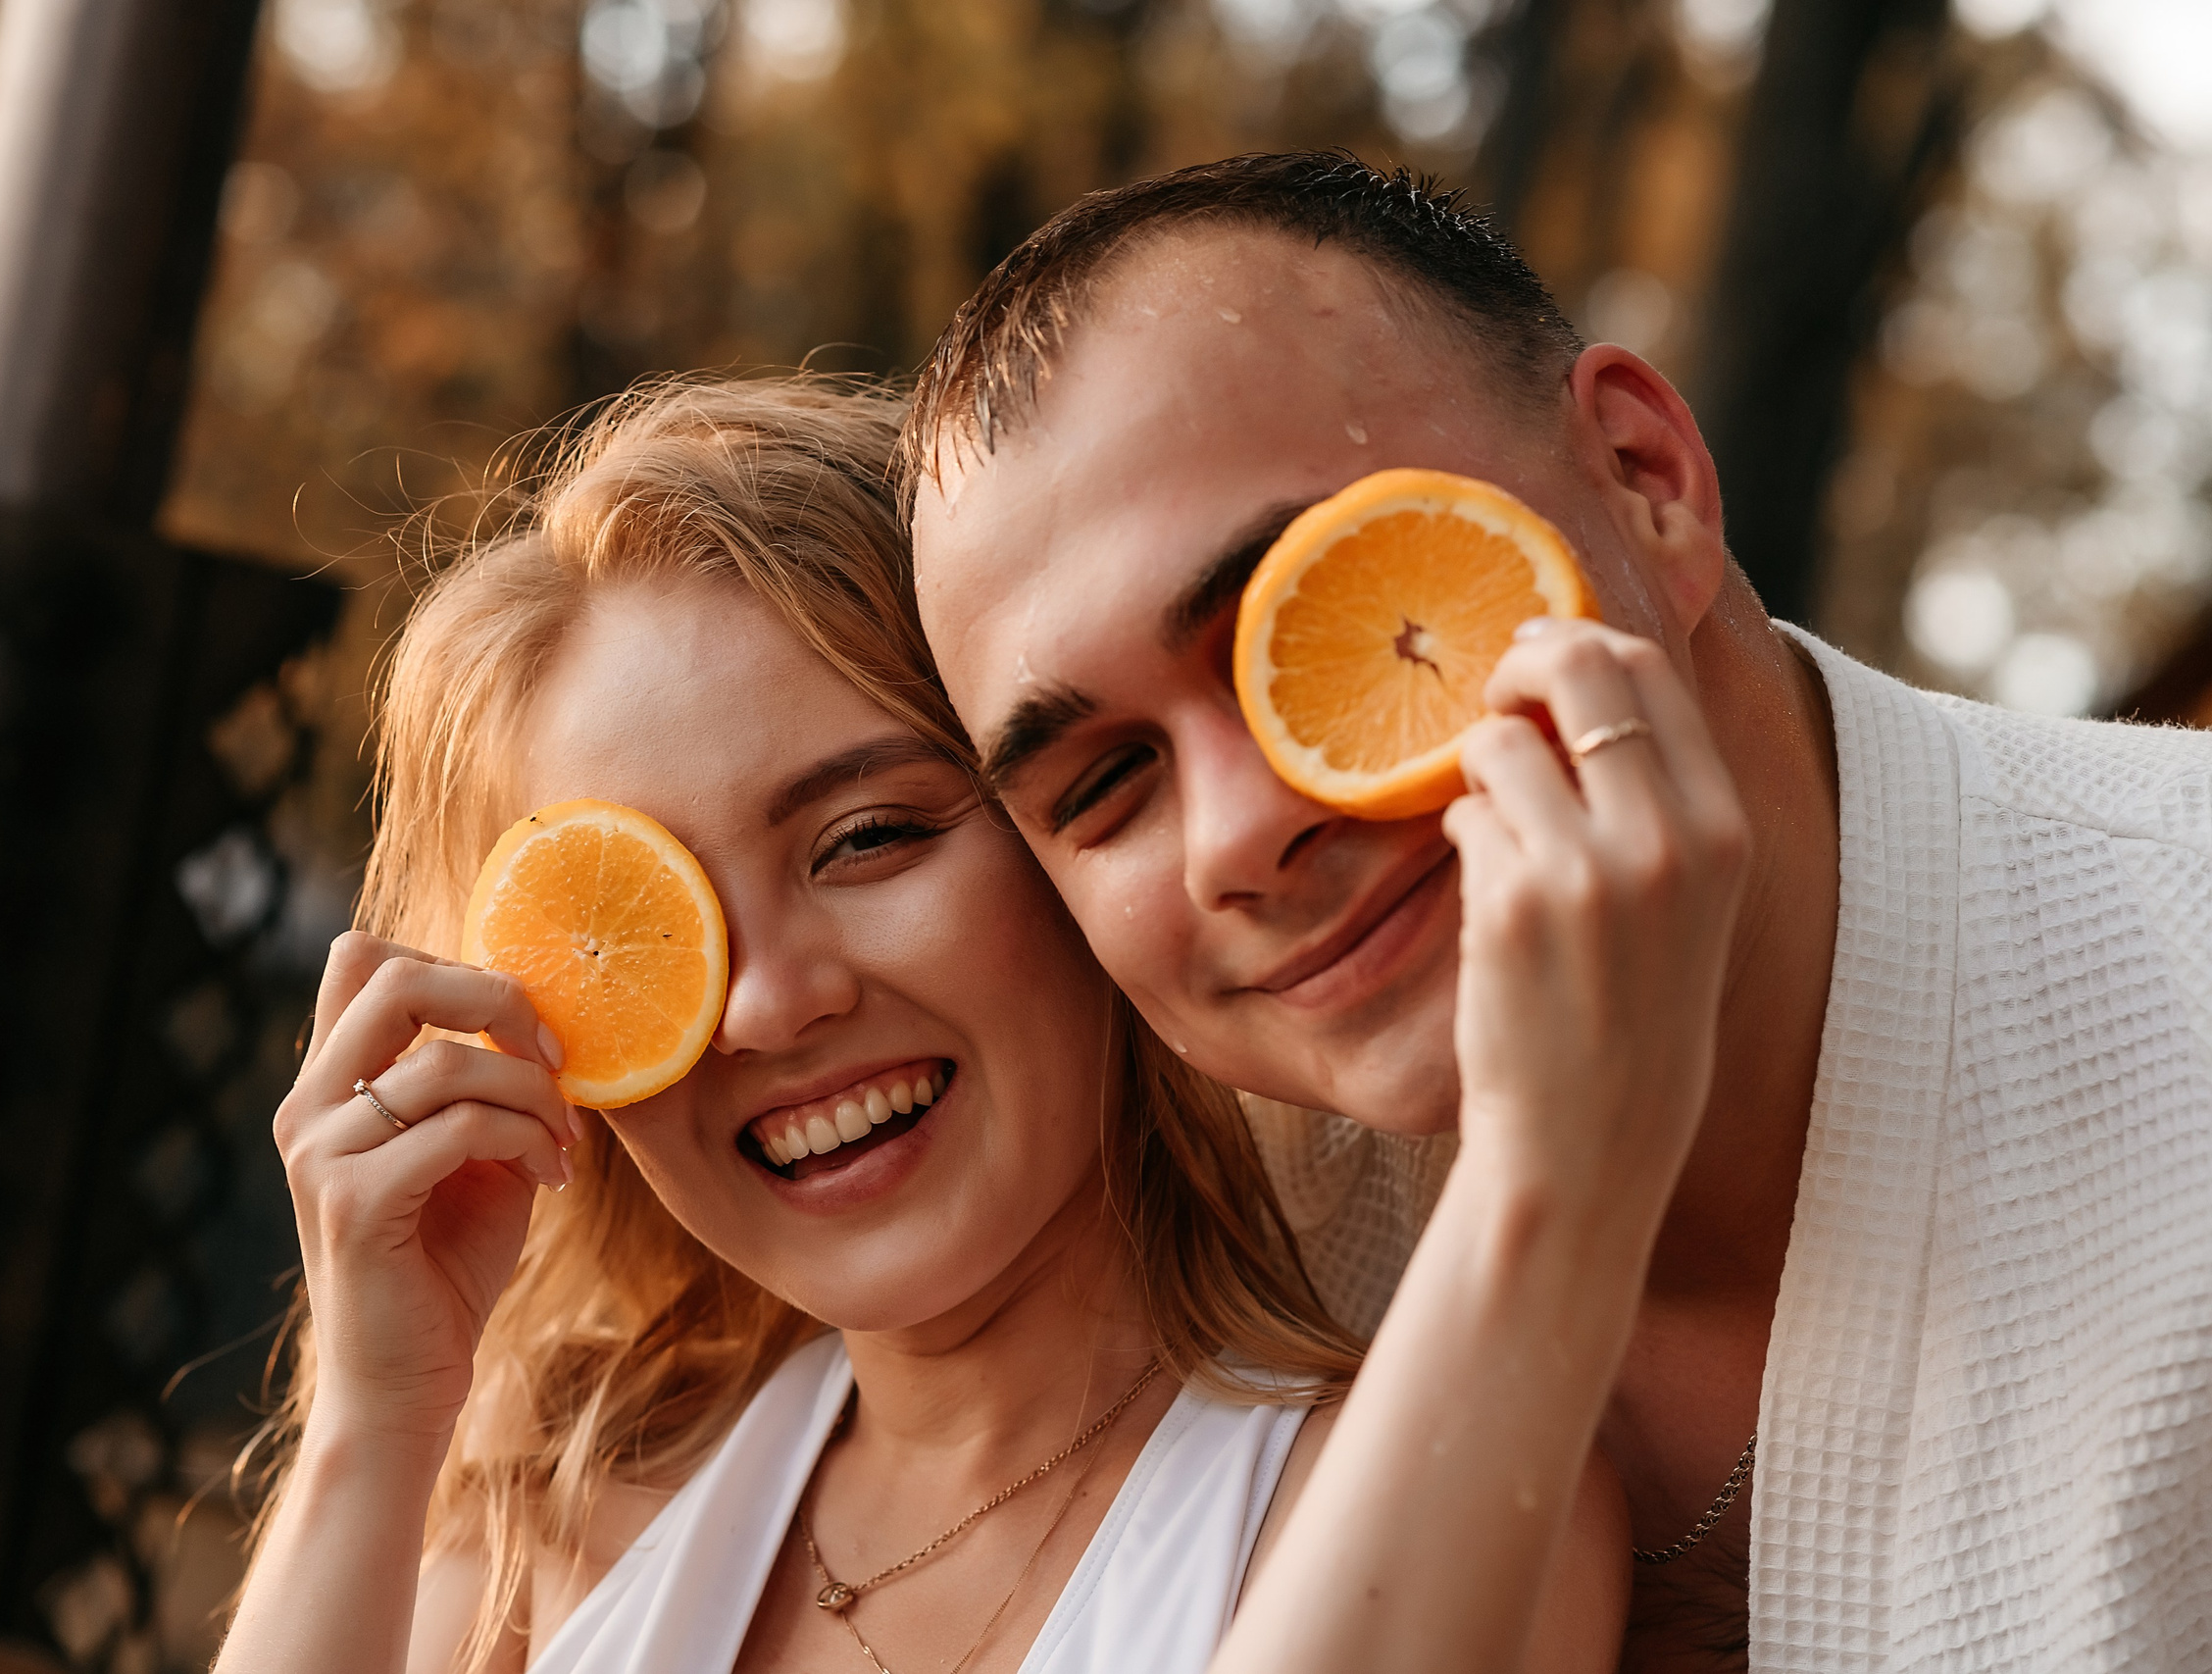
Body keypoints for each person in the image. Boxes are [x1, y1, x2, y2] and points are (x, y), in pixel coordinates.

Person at [899, 150, 2212, 1672]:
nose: (1238, 841)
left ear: (1646, 481)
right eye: (1105, 782)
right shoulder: (1179, 1246)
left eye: (1323, 622)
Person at [213, 377, 1748, 1674]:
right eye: (646, 929)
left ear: (1075, 836)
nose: (768, 1000)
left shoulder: (1389, 1506)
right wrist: (374, 1418)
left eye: (868, 838)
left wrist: (1555, 1162)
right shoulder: (540, 1535)